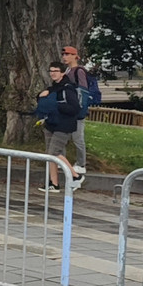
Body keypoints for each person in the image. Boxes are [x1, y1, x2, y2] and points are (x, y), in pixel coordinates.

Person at [36, 62, 83, 191]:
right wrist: (40, 96)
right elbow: (43, 99)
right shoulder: (53, 88)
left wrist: (56, 105)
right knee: (50, 155)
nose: (52, 73)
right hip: (51, 123)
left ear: (62, 72)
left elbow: (75, 108)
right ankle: (54, 183)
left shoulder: (68, 89)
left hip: (64, 125)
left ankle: (75, 176)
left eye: (55, 71)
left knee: (54, 152)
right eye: (51, 71)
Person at [61, 45, 97, 176]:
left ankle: (81, 164)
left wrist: (79, 109)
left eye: (67, 54)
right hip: (68, 108)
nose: (65, 57)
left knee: (77, 138)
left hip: (77, 110)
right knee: (63, 136)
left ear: (75, 56)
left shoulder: (79, 71)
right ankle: (64, 162)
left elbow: (83, 91)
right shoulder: (67, 70)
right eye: (63, 55)